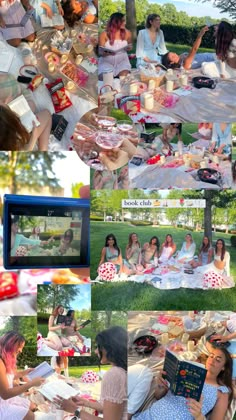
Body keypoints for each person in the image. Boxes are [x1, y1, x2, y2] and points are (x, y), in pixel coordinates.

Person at [130, 346, 233, 420]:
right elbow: (158, 396)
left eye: (218, 360)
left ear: (223, 367)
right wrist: (161, 387)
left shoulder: (221, 392)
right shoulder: (189, 372)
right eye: (211, 356)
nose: (212, 360)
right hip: (149, 416)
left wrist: (199, 416)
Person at [54, 326, 127, 420]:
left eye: (99, 347)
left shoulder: (115, 374)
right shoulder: (123, 370)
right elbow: (113, 409)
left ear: (110, 348)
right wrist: (85, 402)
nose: (96, 351)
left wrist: (75, 410)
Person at [0, 74, 52, 151]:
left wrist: (6, 106)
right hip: (21, 140)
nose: (4, 101)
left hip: (15, 134)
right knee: (46, 114)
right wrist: (34, 137)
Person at [0, 331, 45, 420]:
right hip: (3, 403)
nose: (20, 350)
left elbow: (9, 377)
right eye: (19, 347)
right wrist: (31, 384)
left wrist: (24, 372)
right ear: (10, 345)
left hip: (6, 400)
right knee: (30, 416)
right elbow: (5, 394)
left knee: (32, 406)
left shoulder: (4, 360)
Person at [98, 12, 132, 80]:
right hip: (107, 62)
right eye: (123, 21)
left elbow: (130, 46)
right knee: (106, 79)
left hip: (122, 61)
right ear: (116, 22)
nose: (125, 23)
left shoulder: (128, 33)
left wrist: (129, 48)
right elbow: (100, 52)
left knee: (124, 78)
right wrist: (107, 53)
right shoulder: (104, 34)